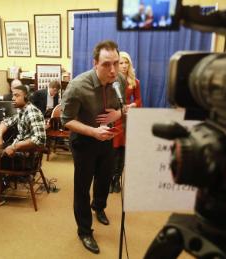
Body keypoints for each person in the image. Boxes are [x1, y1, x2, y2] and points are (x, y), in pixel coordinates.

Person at [61, 40, 125, 254]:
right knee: (82, 188)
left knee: (104, 179)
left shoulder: (119, 80)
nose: (113, 70)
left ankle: (99, 207)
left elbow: (119, 108)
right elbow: (66, 120)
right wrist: (93, 131)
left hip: (106, 139)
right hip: (84, 142)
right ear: (95, 63)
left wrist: (119, 114)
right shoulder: (78, 86)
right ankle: (85, 231)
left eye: (116, 63)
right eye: (107, 64)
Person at [0, 85, 46, 208]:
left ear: (26, 97)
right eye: (13, 95)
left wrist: (15, 147)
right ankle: (0, 186)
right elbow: (6, 122)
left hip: (25, 159)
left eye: (17, 95)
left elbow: (40, 139)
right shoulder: (22, 110)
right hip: (21, 152)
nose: (13, 98)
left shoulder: (32, 112)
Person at [110, 51, 142, 193]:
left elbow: (139, 100)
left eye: (126, 62)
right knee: (112, 152)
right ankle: (109, 179)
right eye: (121, 63)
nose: (123, 66)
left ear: (129, 64)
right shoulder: (111, 80)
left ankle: (116, 180)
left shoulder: (135, 82)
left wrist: (131, 106)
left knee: (122, 152)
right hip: (113, 119)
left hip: (127, 120)